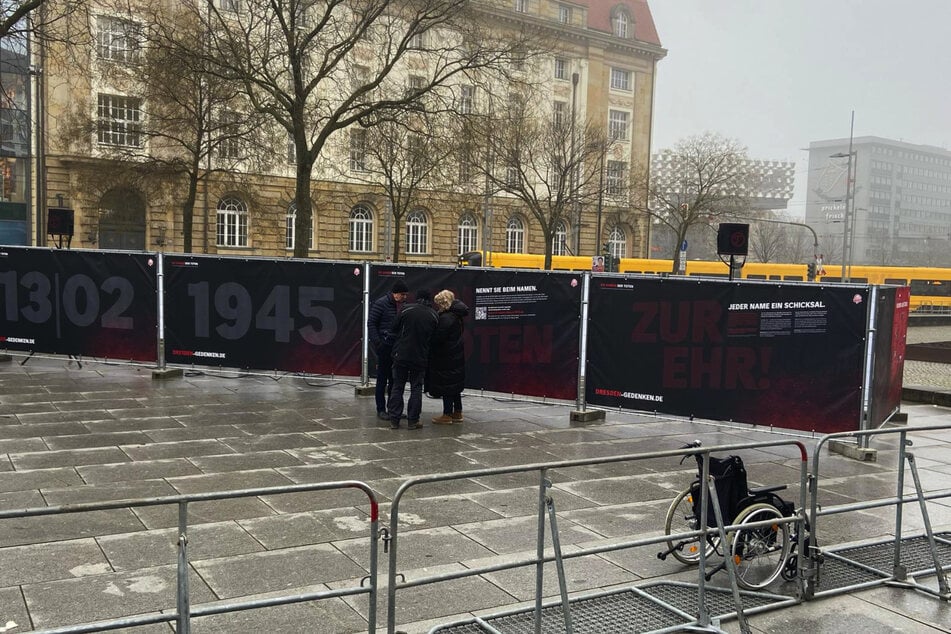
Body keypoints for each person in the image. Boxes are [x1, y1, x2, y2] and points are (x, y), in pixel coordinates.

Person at [386, 288, 438, 430]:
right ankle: (413, 420)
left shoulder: (405, 309)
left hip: (401, 354)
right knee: (416, 387)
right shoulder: (433, 315)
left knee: (398, 385)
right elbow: (434, 338)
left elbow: (393, 328)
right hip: (420, 356)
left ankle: (394, 420)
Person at [367, 279, 408, 420]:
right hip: (384, 346)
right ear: (395, 294)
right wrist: (378, 343)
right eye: (402, 294)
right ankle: (380, 409)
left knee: (394, 380)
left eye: (405, 295)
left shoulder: (403, 306)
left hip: (397, 347)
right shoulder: (381, 303)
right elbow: (371, 323)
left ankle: (393, 409)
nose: (404, 297)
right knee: (382, 379)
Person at [428, 290, 469, 424]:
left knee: (447, 385)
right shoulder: (456, 315)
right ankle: (458, 411)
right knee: (454, 385)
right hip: (455, 354)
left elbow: (439, 338)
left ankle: (447, 414)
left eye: (438, 304)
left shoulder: (446, 318)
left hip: (446, 356)